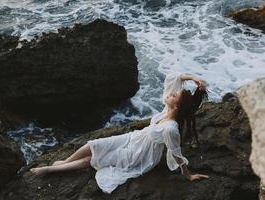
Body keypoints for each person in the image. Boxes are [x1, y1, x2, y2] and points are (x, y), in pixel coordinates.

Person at [30, 71, 209, 194]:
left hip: (139, 155)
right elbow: (172, 77)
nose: (170, 94)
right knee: (93, 144)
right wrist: (193, 78)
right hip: (134, 138)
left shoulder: (171, 128)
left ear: (177, 104)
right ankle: (64, 161)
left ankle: (49, 170)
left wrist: (188, 174)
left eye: (174, 95)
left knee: (90, 160)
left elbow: (176, 153)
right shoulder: (167, 110)